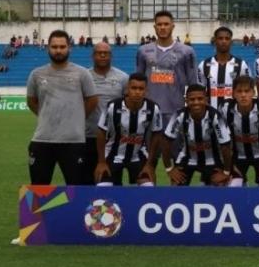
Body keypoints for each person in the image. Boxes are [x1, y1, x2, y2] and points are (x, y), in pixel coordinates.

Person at [25, 30, 99, 185]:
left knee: (77, 190)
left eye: (62, 46)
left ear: (69, 48)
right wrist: (46, 115)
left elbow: (92, 100)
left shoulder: (82, 73)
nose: (58, 50)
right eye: (54, 47)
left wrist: (77, 117)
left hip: (73, 142)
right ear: (48, 48)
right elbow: (31, 101)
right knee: (39, 190)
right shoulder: (36, 74)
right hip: (42, 140)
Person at [135, 10, 198, 144]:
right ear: (154, 27)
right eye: (159, 24)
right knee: (148, 156)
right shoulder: (143, 51)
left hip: (176, 111)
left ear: (172, 26)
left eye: (166, 24)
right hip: (149, 111)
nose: (163, 27)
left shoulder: (187, 51)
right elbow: (137, 82)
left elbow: (193, 84)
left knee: (176, 156)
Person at [94, 73, 164, 186]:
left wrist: (149, 164)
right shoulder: (113, 106)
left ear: (146, 91)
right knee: (103, 187)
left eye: (141, 89)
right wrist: (101, 162)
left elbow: (157, 135)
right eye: (134, 88)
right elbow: (101, 132)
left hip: (138, 155)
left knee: (148, 187)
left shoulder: (153, 109)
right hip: (113, 154)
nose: (137, 92)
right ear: (127, 89)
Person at [162, 84, 233, 186]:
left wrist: (226, 172)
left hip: (212, 158)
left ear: (206, 100)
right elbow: (166, 142)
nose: (196, 102)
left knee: (219, 186)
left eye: (200, 99)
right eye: (192, 99)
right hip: (187, 158)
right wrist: (169, 169)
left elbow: (226, 146)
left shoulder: (216, 117)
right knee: (175, 186)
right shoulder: (179, 115)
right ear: (186, 101)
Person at [218, 76, 259, 187]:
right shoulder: (224, 108)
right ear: (233, 93)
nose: (243, 95)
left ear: (253, 92)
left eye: (247, 91)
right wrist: (230, 166)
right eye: (239, 91)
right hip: (236, 157)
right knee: (233, 187)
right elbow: (222, 141)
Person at [85, 42, 128, 185]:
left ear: (111, 56)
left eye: (106, 53)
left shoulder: (123, 78)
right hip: (88, 136)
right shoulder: (84, 77)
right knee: (87, 181)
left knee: (112, 182)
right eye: (99, 52)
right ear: (93, 56)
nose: (103, 55)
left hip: (113, 139)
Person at [197, 26, 252, 109]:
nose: (224, 41)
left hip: (234, 114)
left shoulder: (241, 65)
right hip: (212, 114)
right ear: (215, 41)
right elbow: (200, 92)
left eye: (227, 38)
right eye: (220, 38)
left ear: (231, 42)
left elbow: (247, 90)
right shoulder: (203, 65)